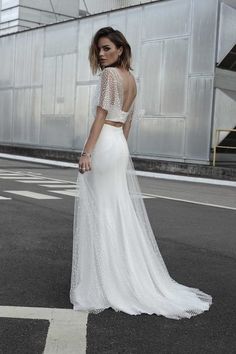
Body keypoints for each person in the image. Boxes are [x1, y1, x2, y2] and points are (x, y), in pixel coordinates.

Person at [70, 26, 213, 319]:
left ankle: (105, 281)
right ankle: (124, 276)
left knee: (103, 211)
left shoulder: (109, 76)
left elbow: (100, 116)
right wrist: (118, 148)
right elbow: (127, 123)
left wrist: (87, 152)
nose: (101, 54)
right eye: (99, 49)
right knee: (116, 209)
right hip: (119, 145)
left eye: (107, 48)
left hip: (105, 144)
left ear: (121, 49)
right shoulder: (131, 79)